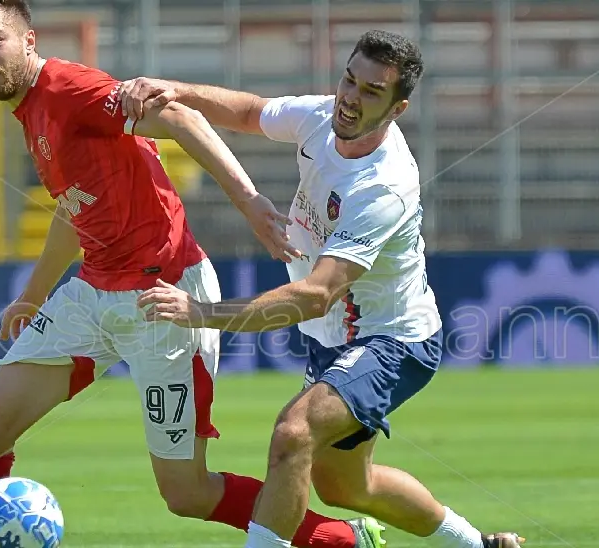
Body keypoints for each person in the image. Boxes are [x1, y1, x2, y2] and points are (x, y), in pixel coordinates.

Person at [0, 1, 389, 547]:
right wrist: (34, 296)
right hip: (93, 290)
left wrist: (249, 203)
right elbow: (74, 205)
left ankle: (339, 538)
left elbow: (181, 117)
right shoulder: (32, 110)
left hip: (165, 296)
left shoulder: (67, 88)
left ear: (29, 40)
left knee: (187, 493)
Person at [125, 31, 526, 548]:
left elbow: (316, 295)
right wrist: (172, 89)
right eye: (349, 80)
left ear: (397, 107)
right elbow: (249, 111)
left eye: (371, 92)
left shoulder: (382, 185)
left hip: (392, 341)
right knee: (346, 488)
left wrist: (200, 310)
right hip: (334, 338)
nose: (351, 99)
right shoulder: (321, 116)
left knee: (294, 432)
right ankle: (478, 545)